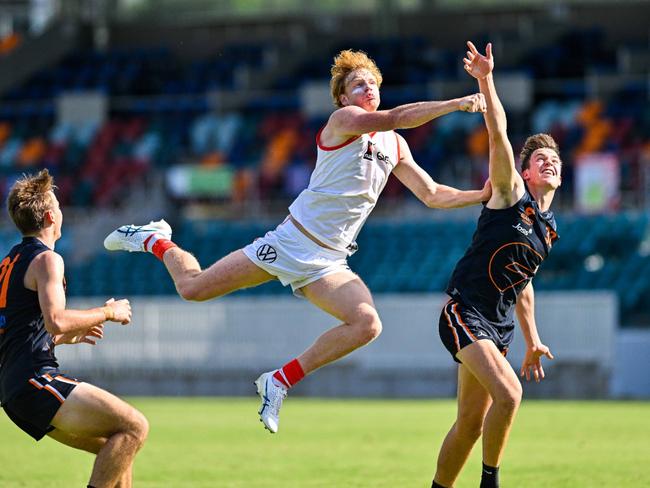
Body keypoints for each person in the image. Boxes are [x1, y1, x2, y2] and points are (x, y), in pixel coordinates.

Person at [104, 49, 491, 434]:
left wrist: (482, 194)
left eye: (372, 82)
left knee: (367, 324)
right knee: (192, 289)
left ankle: (278, 380)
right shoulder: (345, 120)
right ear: (342, 97)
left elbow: (433, 194)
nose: (368, 88)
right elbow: (394, 117)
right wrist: (457, 103)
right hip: (291, 243)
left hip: (330, 263)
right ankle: (156, 239)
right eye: (358, 85)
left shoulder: (394, 145)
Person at [431, 42, 561, 488]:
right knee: (510, 393)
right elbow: (499, 134)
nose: (549, 161)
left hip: (499, 327)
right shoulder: (509, 195)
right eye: (541, 158)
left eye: (555, 160)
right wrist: (485, 79)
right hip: (465, 313)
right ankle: (491, 482)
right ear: (524, 174)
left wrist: (533, 340)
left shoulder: (547, 230)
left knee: (469, 423)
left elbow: (523, 285)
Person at [0, 169, 148, 488]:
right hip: (34, 381)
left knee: (118, 448)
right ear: (52, 216)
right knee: (135, 427)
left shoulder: (10, 261)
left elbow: (22, 330)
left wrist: (64, 338)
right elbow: (57, 318)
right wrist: (108, 312)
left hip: (15, 390)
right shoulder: (47, 261)